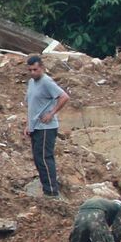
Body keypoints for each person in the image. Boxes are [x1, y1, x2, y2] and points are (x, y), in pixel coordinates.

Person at [23, 54, 68, 197]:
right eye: (30, 70)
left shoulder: (46, 82)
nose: (32, 73)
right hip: (35, 127)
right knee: (38, 159)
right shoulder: (31, 82)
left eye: (35, 70)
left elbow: (64, 97)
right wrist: (28, 124)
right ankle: (47, 188)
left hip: (46, 128)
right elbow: (32, 105)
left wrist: (52, 113)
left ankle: (51, 192)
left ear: (42, 68)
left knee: (44, 158)